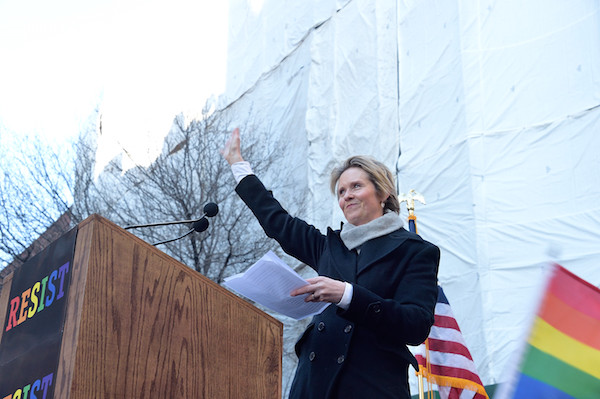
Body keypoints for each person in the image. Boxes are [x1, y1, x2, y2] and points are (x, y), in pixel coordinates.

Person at [221, 128, 440, 399]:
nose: (346, 195)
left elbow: (415, 325)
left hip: (372, 386)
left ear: (383, 193)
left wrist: (347, 295)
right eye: (341, 191)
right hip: (313, 385)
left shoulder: (415, 251)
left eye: (356, 186)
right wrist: (238, 166)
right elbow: (278, 221)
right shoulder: (328, 246)